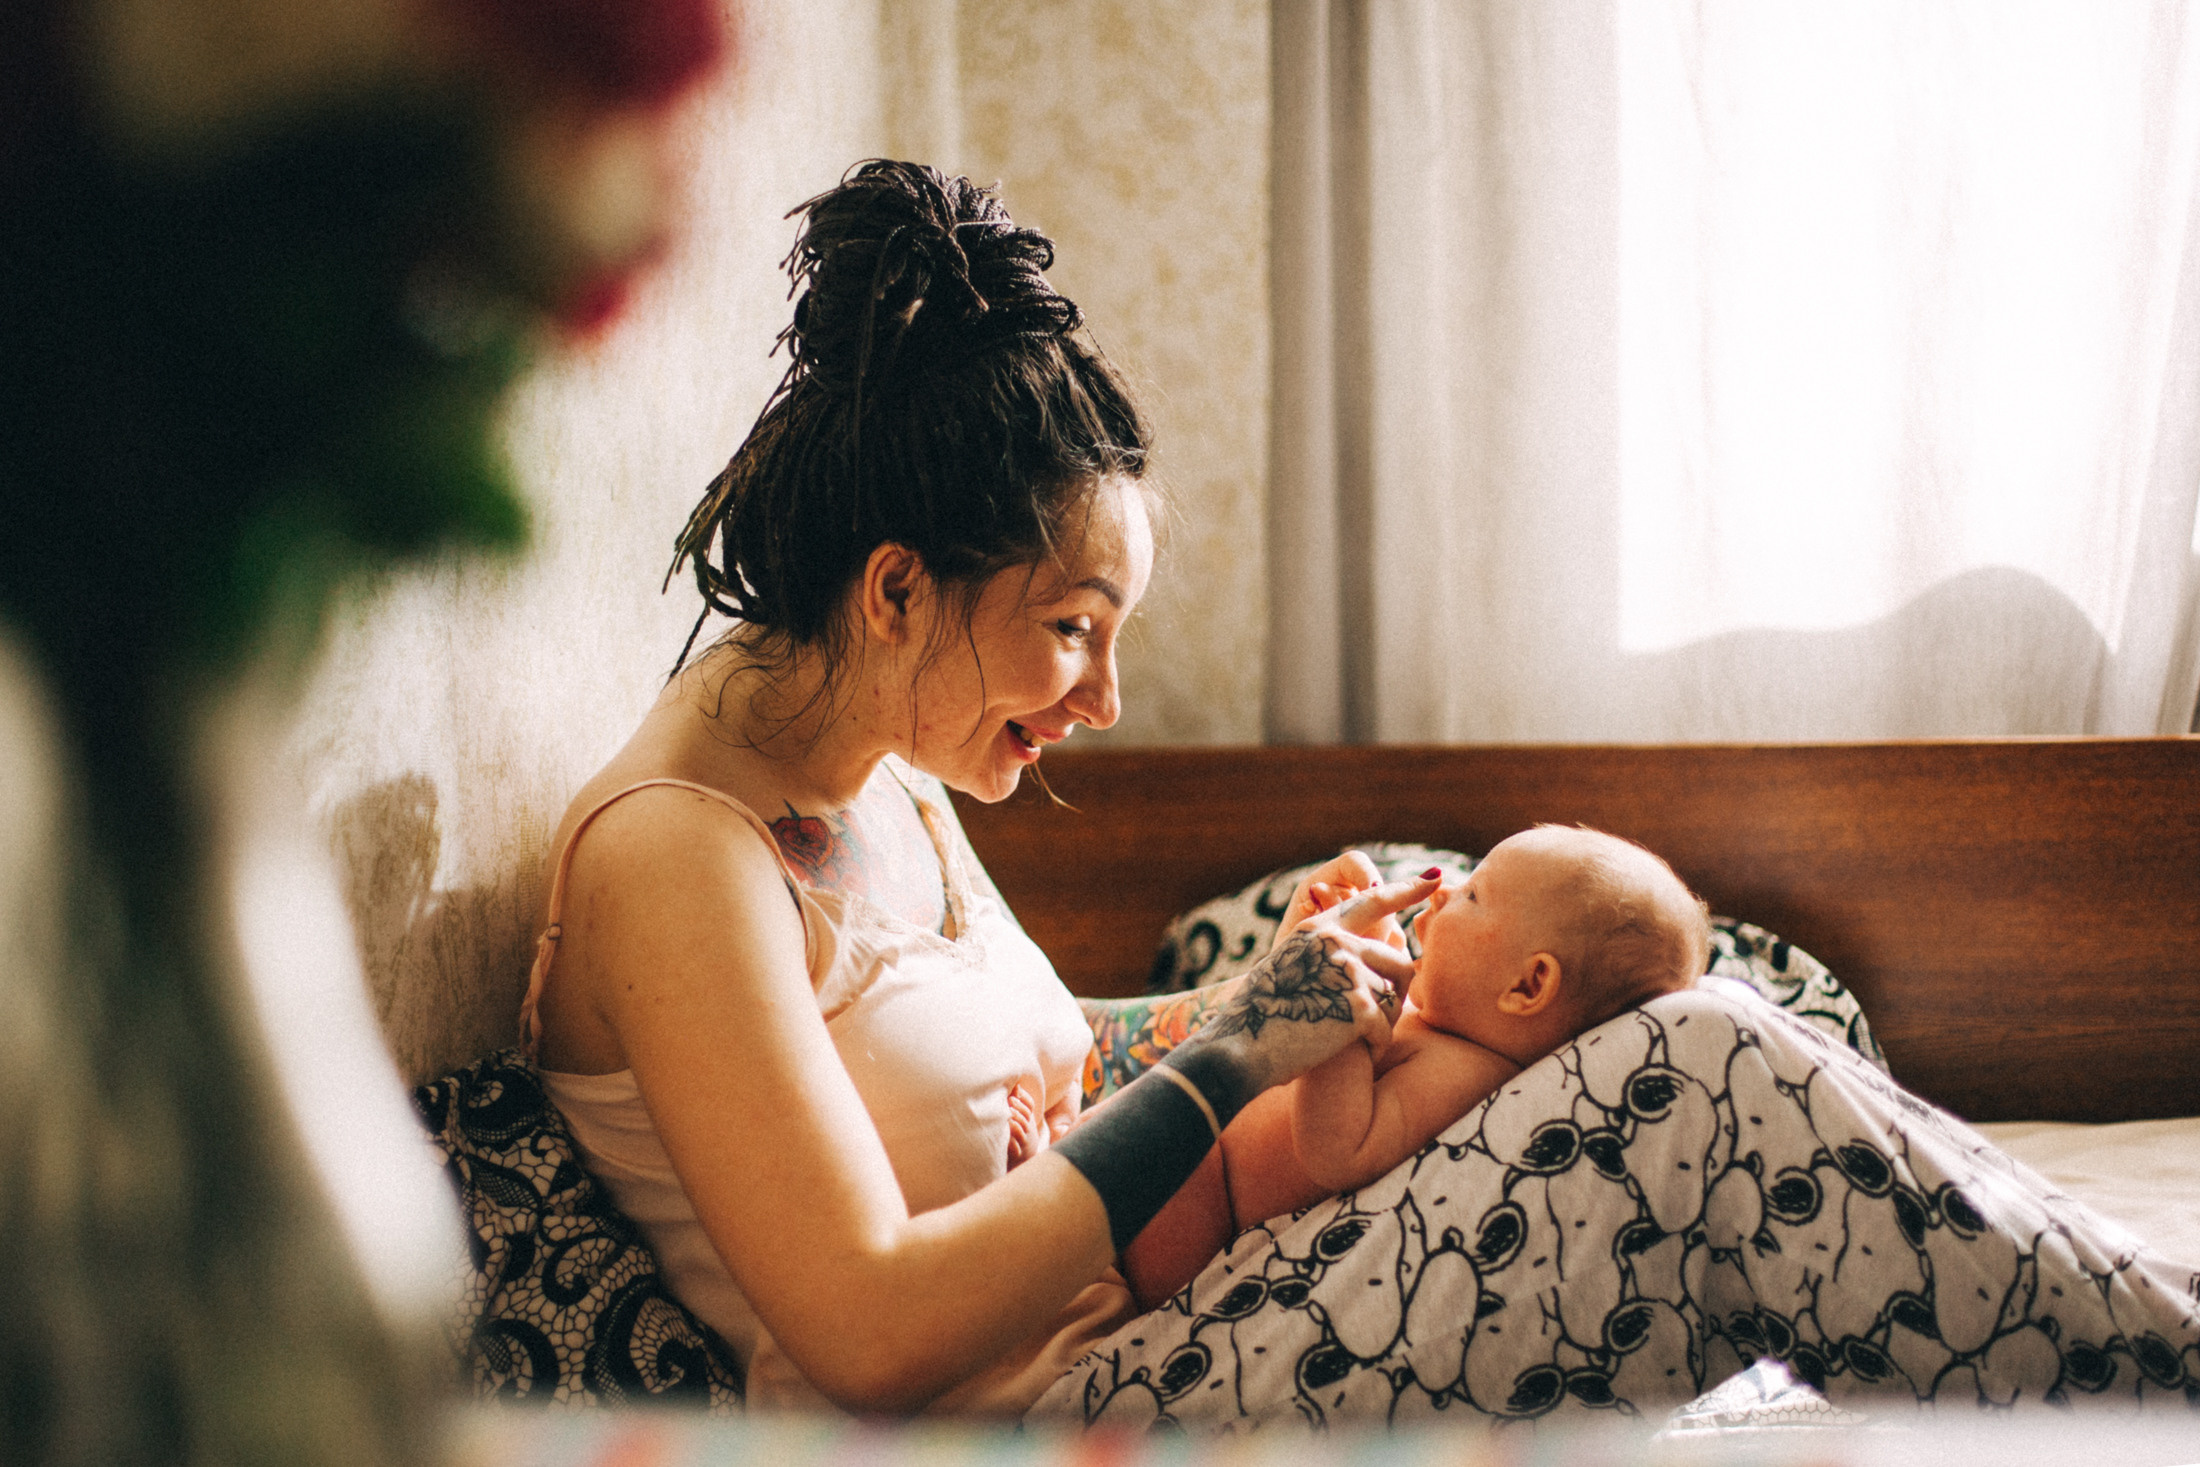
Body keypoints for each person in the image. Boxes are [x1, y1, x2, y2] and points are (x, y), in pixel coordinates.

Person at [514, 160, 1435, 1416]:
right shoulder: (676, 858)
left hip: (1150, 1341)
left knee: (1635, 1035)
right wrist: (1234, 1054)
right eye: (1070, 627)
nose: (1102, 700)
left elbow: (1067, 1050)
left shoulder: (890, 759)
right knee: (1679, 1081)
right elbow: (870, 1330)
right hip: (1032, 1423)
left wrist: (1277, 987)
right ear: (895, 591)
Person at [1120, 826, 1712, 1310]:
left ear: (1528, 984)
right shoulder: (1438, 1023)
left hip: (1199, 1204)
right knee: (1107, 1129)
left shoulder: (1468, 1074)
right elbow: (1260, 1036)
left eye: (1475, 895)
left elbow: (1339, 1151)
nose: (1441, 894)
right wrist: (1320, 948)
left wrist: (1343, 1021)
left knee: (1126, 1158)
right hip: (1186, 1147)